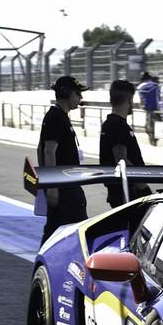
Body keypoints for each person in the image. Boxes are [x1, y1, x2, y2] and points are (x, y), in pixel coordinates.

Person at [38, 76, 89, 244]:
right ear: (66, 93)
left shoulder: (59, 116)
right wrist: (52, 187)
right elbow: (48, 151)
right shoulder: (56, 117)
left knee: (55, 230)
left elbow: (41, 149)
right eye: (77, 93)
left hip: (65, 184)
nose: (80, 98)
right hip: (64, 187)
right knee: (79, 230)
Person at [99, 79, 151, 208]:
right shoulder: (118, 126)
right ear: (129, 100)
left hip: (122, 189)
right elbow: (121, 160)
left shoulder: (110, 123)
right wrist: (143, 187)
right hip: (127, 191)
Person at [136, 71, 160, 144]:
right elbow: (159, 97)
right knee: (156, 122)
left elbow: (140, 99)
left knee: (148, 123)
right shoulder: (156, 85)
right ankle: (155, 138)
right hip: (156, 108)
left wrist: (141, 105)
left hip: (147, 108)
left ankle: (151, 137)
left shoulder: (140, 86)